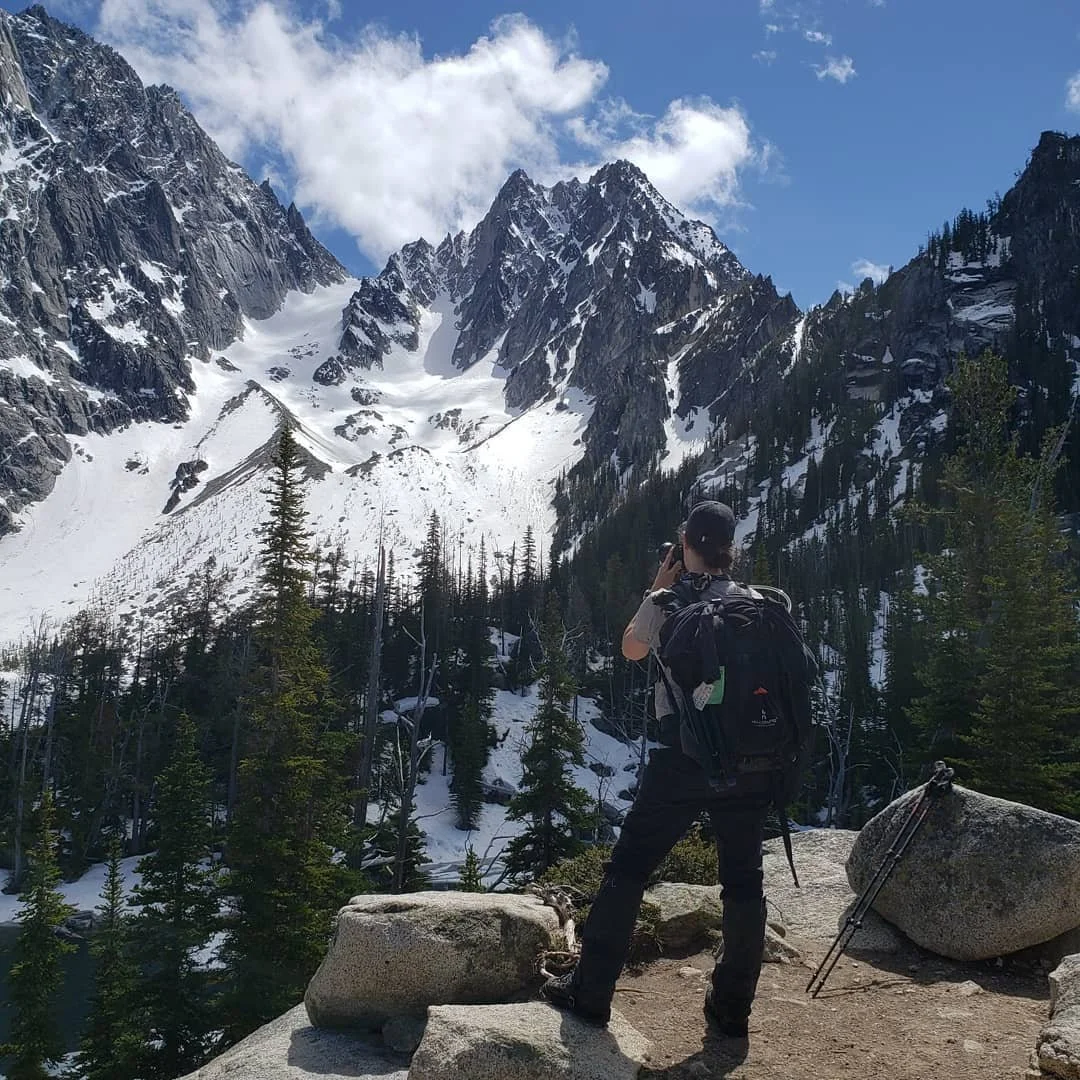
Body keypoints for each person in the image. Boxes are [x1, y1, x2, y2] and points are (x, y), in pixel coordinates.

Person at [542, 501, 770, 1039]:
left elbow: (631, 649)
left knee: (629, 869)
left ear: (685, 543)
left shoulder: (669, 600)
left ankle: (591, 991)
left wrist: (655, 587)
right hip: (751, 763)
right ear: (729, 549)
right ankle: (732, 1009)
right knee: (743, 884)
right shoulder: (755, 603)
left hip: (684, 761)